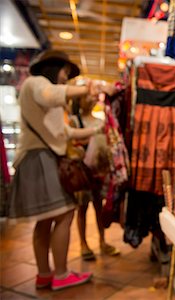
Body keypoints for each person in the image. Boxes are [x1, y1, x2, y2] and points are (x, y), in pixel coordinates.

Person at [6, 49, 109, 291]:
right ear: (54, 68)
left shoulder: (41, 96)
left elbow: (65, 132)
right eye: (65, 72)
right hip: (40, 159)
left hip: (38, 159)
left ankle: (44, 274)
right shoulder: (37, 83)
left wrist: (96, 131)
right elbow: (51, 94)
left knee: (45, 220)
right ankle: (61, 274)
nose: (65, 77)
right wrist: (88, 88)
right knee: (64, 214)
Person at [71, 91, 120, 261]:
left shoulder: (100, 121)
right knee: (82, 208)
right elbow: (71, 143)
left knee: (99, 206)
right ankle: (83, 244)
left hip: (98, 172)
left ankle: (102, 241)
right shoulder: (74, 121)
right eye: (87, 97)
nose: (92, 99)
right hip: (81, 172)